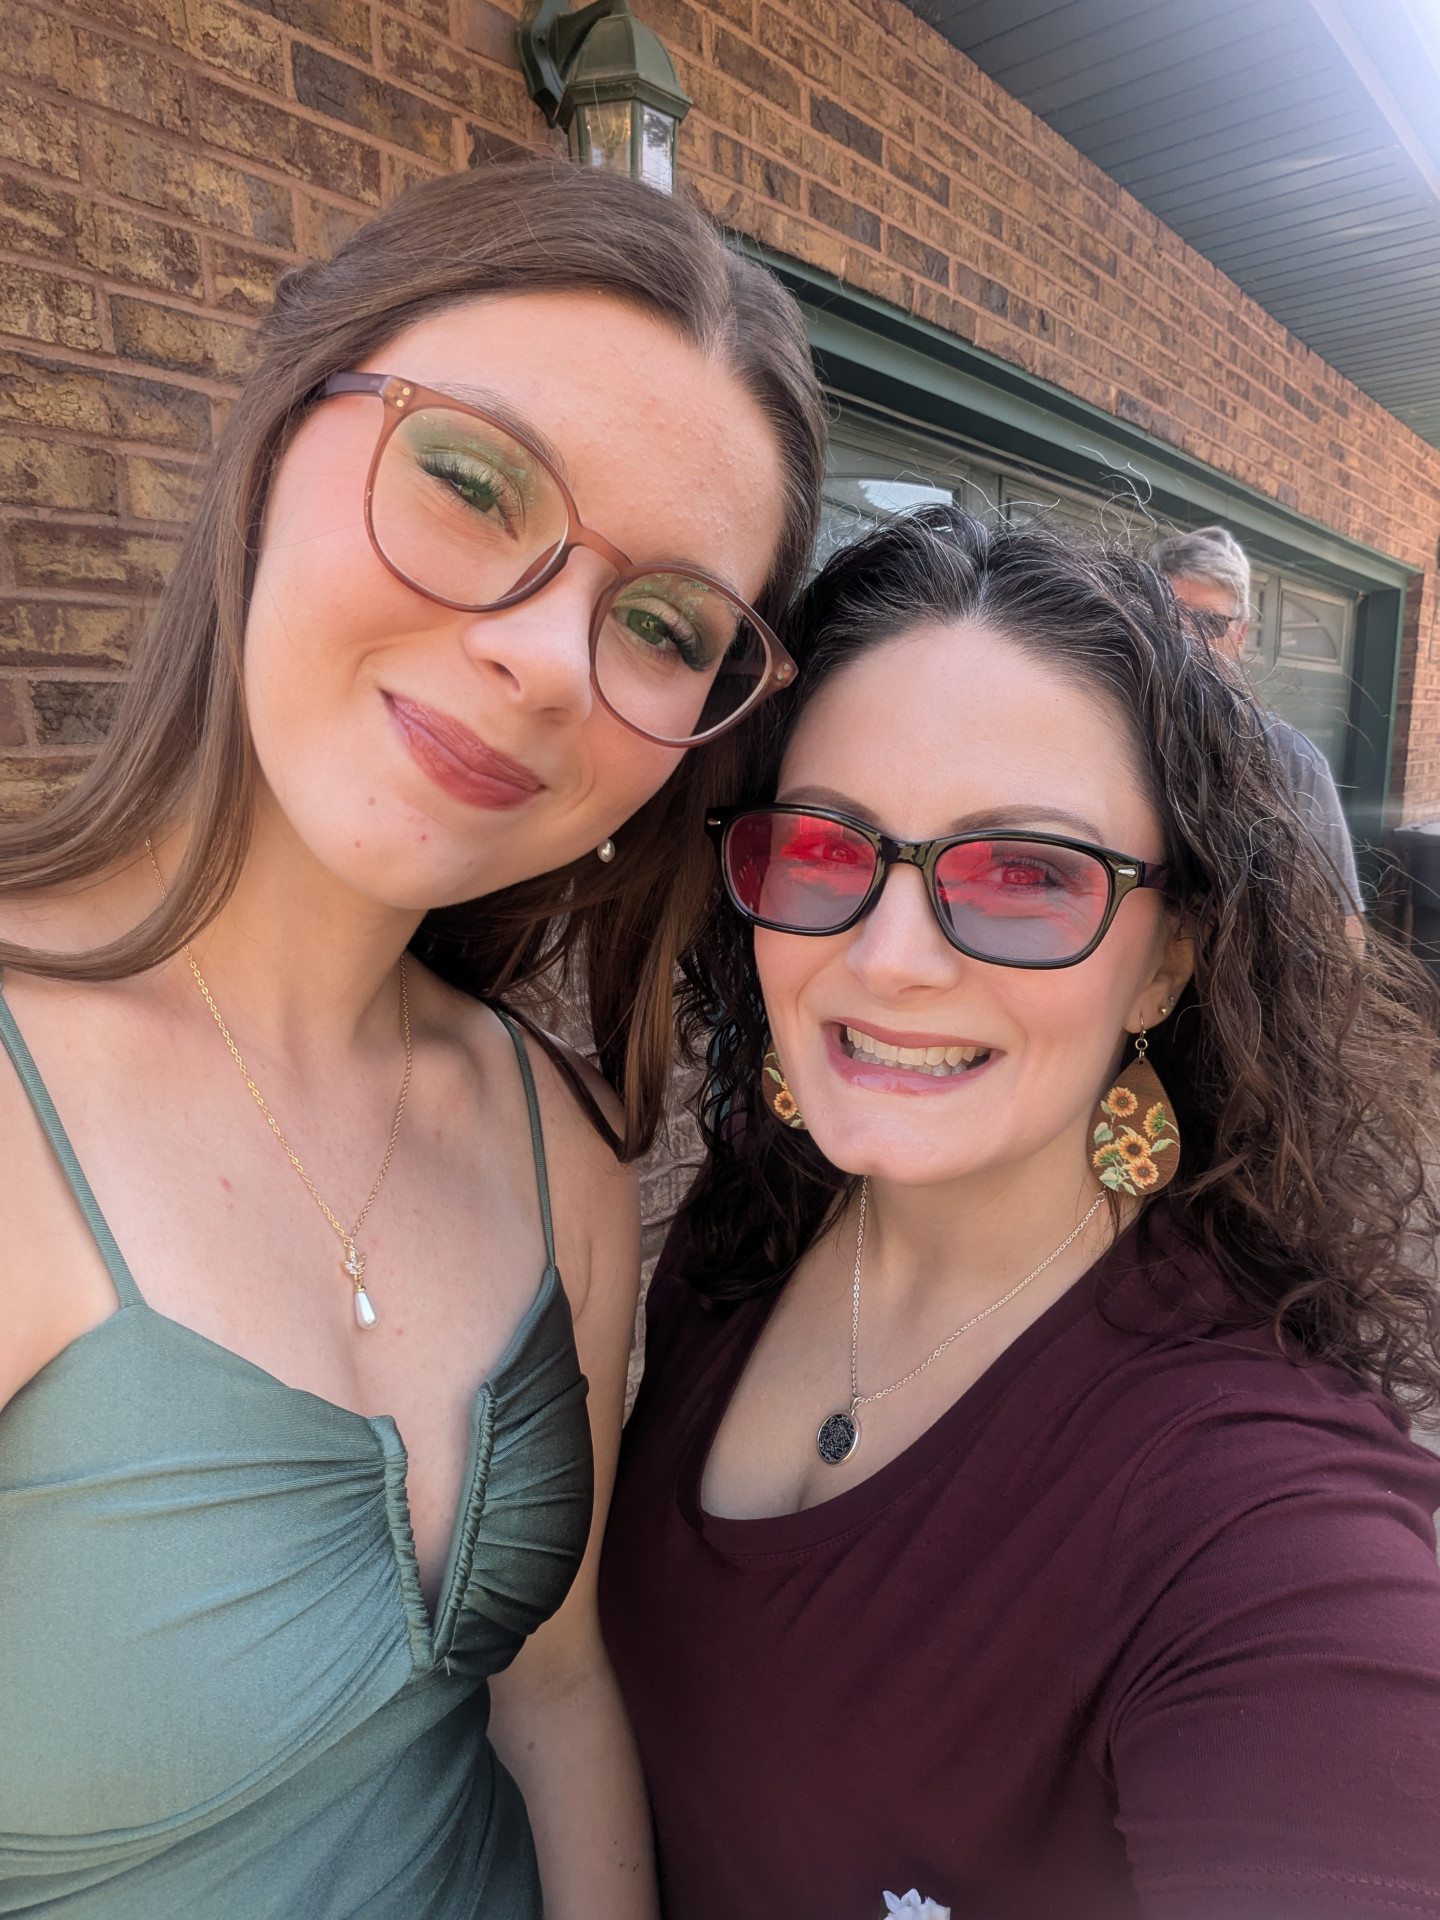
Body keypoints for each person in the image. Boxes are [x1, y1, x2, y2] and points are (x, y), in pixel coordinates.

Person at [0, 161, 825, 1919]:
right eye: (471, 479)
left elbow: (554, 1698)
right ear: (271, 436)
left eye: (663, 624)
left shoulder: (556, 1146)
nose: (546, 658)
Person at [600, 507, 1440, 1919]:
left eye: (1029, 875)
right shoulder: (743, 1227)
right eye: (824, 846)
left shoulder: (1252, 1508)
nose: (890, 959)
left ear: (1168, 962)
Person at [1149, 524, 1364, 939]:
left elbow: (1341, 925)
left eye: (1210, 623)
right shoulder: (1116, 736)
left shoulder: (1292, 760)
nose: (1186, 639)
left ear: (1241, 635)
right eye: (1170, 619)